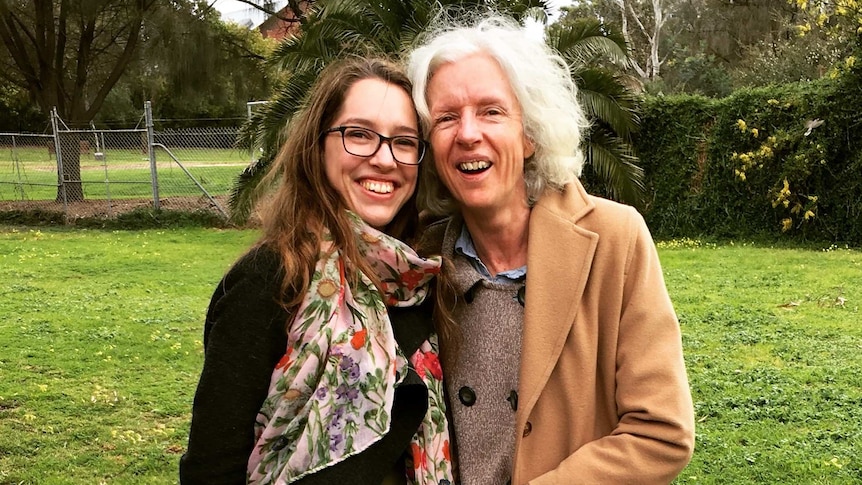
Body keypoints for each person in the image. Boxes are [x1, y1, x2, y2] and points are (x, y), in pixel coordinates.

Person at [407, 15, 695, 485]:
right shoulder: (417, 258)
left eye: (491, 111)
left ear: (530, 134)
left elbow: (662, 432)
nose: (467, 133)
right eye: (445, 117)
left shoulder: (615, 239)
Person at [179, 57, 453, 485]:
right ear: (317, 144)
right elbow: (211, 469)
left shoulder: (415, 282)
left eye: (403, 141)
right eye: (359, 135)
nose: (384, 159)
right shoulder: (272, 277)